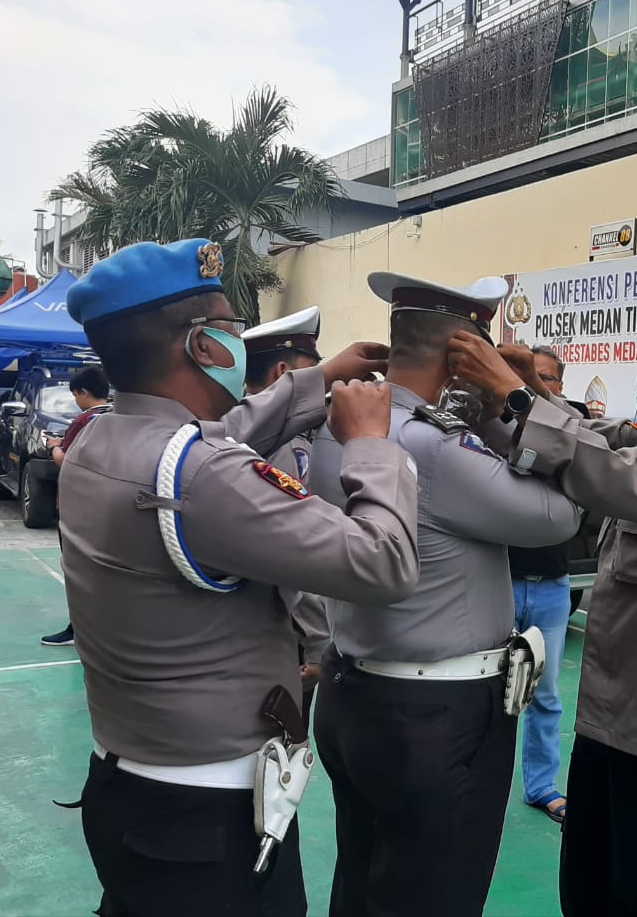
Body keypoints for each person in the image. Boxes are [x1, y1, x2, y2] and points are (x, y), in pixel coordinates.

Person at [58, 238, 420, 917]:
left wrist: (314, 380)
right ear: (202, 347)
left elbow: (213, 436)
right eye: (230, 329)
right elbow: (385, 563)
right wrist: (373, 445)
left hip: (129, 788)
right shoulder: (204, 475)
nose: (240, 344)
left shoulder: (98, 442)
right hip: (209, 823)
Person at [447, 314, 637, 917]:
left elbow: (606, 474)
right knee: (590, 889)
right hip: (608, 724)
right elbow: (590, 434)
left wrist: (512, 393)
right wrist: (525, 391)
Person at [306, 272, 581, 917]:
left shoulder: (335, 427)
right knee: (437, 894)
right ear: (466, 354)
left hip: (352, 692)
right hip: (435, 714)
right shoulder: (433, 446)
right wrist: (520, 400)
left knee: (364, 881)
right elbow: (560, 516)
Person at [508, 345, 591, 825]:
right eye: (529, 377)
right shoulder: (494, 430)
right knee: (488, 695)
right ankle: (475, 782)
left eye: (548, 379)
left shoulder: (572, 426)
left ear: (560, 384)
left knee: (545, 694)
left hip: (553, 589)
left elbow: (572, 424)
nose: (541, 385)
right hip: (499, 585)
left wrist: (539, 397)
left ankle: (540, 787)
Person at [243, 305, 329, 729]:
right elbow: (297, 549)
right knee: (278, 760)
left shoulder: (229, 431)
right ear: (283, 373)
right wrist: (316, 644)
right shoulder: (283, 448)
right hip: (280, 636)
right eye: (315, 372)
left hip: (239, 631)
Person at [41, 364, 112, 647]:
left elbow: (66, 459)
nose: (75, 401)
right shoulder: (117, 417)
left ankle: (77, 629)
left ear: (83, 392)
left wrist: (53, 447)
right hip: (107, 504)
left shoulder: (84, 420)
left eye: (75, 395)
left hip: (76, 506)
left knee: (75, 568)